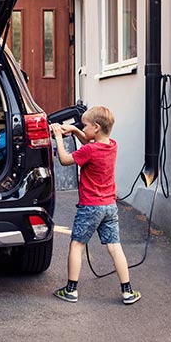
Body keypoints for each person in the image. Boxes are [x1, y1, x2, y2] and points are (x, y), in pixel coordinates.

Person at [50, 106, 141, 305]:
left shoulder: (89, 150)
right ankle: (127, 291)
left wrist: (58, 136)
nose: (83, 128)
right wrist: (74, 130)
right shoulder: (112, 145)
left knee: (77, 245)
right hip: (109, 206)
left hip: (90, 207)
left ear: (97, 127)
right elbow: (88, 139)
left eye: (85, 125)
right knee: (115, 247)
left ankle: (71, 290)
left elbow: (65, 160)